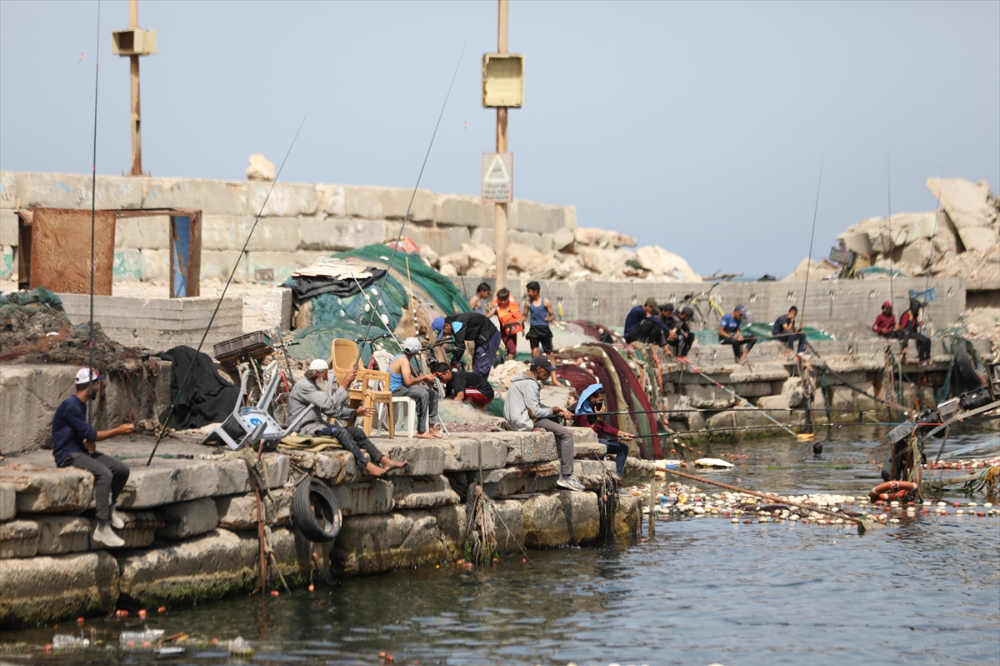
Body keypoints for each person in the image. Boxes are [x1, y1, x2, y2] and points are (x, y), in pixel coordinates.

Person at [52, 368, 135, 548]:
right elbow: (90, 433)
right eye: (98, 383)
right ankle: (102, 527)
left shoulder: (80, 406)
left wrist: (87, 443)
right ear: (90, 386)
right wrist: (118, 431)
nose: (99, 387)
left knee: (121, 470)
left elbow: (81, 433)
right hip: (67, 456)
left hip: (80, 451)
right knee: (104, 474)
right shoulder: (71, 406)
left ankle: (110, 506)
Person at [288, 359, 407, 475]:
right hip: (305, 429)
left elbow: (328, 410)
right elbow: (328, 405)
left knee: (357, 432)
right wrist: (345, 383)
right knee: (342, 433)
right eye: (325, 375)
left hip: (317, 425)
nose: (327, 378)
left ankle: (385, 461)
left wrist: (355, 412)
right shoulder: (304, 387)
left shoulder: (313, 386)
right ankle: (366, 465)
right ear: (316, 373)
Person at [503, 356, 584, 492]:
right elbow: (535, 411)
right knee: (567, 434)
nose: (548, 374)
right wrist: (552, 410)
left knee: (554, 418)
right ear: (539, 369)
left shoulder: (521, 381)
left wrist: (556, 411)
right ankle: (566, 476)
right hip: (523, 421)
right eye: (547, 371)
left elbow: (534, 406)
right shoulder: (531, 384)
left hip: (515, 419)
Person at [573, 384, 633, 479]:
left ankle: (617, 478)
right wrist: (599, 419)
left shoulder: (593, 408)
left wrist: (621, 434)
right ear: (592, 398)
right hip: (583, 443)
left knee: (623, 448)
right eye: (600, 400)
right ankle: (597, 473)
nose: (602, 403)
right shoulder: (580, 413)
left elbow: (603, 426)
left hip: (592, 442)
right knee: (604, 443)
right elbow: (590, 435)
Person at [389, 337, 443, 439]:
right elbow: (408, 381)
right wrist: (424, 378)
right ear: (416, 352)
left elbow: (417, 374)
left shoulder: (405, 359)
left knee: (433, 394)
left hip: (402, 388)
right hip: (395, 390)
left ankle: (431, 428)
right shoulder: (403, 360)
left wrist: (427, 377)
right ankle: (421, 431)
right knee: (423, 394)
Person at [432, 312, 501, 378]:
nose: (444, 335)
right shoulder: (453, 322)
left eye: (443, 333)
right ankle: (476, 387)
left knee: (482, 367)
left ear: (446, 326)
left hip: (490, 337)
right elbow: (459, 346)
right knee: (477, 365)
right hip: (483, 338)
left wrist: (453, 363)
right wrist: (454, 361)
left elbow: (460, 347)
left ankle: (478, 388)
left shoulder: (457, 324)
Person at [522, 281, 555, 359]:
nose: (527, 293)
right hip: (533, 329)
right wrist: (520, 321)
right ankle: (534, 370)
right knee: (534, 352)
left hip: (544, 329)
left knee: (549, 353)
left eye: (529, 291)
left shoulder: (546, 302)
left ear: (535, 292)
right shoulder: (527, 303)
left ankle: (552, 371)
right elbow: (524, 316)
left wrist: (550, 319)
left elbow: (552, 315)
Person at [493, 287, 523, 360]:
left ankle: (512, 364)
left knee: (513, 350)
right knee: (512, 350)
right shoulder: (497, 308)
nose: (503, 302)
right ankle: (510, 366)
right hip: (505, 333)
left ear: (508, 298)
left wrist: (523, 330)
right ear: (498, 299)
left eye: (505, 300)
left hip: (513, 332)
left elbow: (518, 319)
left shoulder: (512, 306)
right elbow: (489, 315)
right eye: (501, 300)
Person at [898, 298, 931, 364]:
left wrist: (918, 324)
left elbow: (914, 326)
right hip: (907, 332)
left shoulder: (914, 314)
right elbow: (904, 328)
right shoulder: (907, 314)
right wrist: (910, 319)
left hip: (913, 332)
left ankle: (927, 357)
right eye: (918, 307)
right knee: (923, 341)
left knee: (928, 340)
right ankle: (922, 358)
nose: (918, 308)